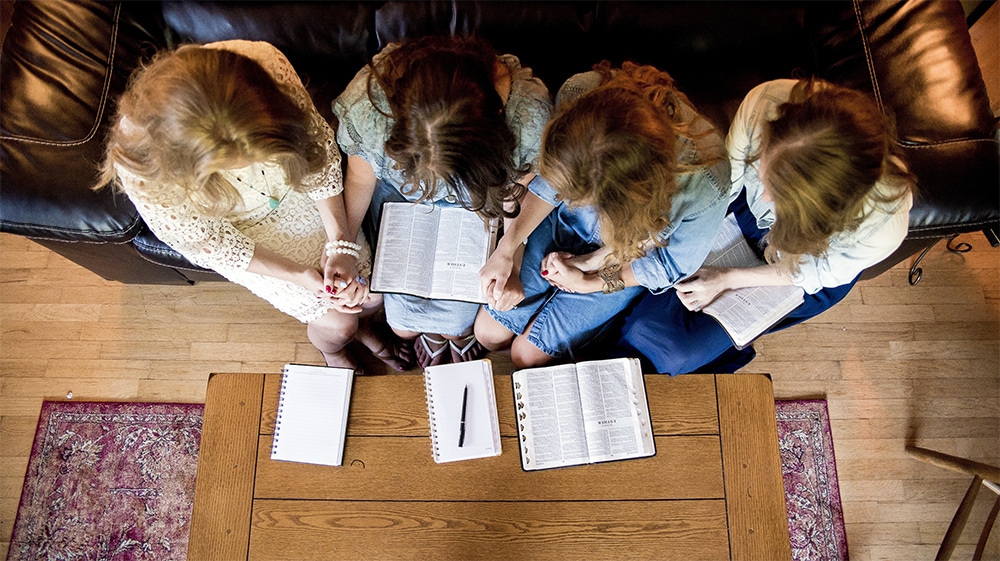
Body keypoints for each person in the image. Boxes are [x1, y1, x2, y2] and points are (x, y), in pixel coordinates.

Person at [97, 40, 413, 372]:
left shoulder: (263, 67)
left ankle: (363, 328)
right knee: (338, 323)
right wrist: (300, 275)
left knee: (371, 293)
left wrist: (341, 243)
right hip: (242, 236)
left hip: (303, 192)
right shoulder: (144, 166)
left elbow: (317, 162)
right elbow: (216, 246)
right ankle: (333, 349)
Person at [615, 78, 915, 374]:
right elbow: (726, 188)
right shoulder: (766, 101)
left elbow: (807, 273)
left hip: (798, 271)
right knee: (645, 313)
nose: (765, 194)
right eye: (762, 167)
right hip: (739, 218)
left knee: (678, 351)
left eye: (780, 196)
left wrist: (727, 279)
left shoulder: (882, 229)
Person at [474, 61, 731, 368]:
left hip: (627, 259)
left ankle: (587, 334)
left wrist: (591, 281)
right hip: (557, 223)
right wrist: (508, 248)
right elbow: (546, 184)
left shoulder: (706, 183)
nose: (579, 202)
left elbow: (666, 265)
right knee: (488, 333)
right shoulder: (578, 92)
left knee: (525, 355)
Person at [331, 35, 553, 368]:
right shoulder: (367, 109)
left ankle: (451, 335)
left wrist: (511, 254)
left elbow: (515, 192)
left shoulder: (527, 118)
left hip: (483, 203)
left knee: (458, 323)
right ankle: (436, 334)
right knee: (402, 327)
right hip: (399, 203)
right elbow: (362, 179)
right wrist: (344, 248)